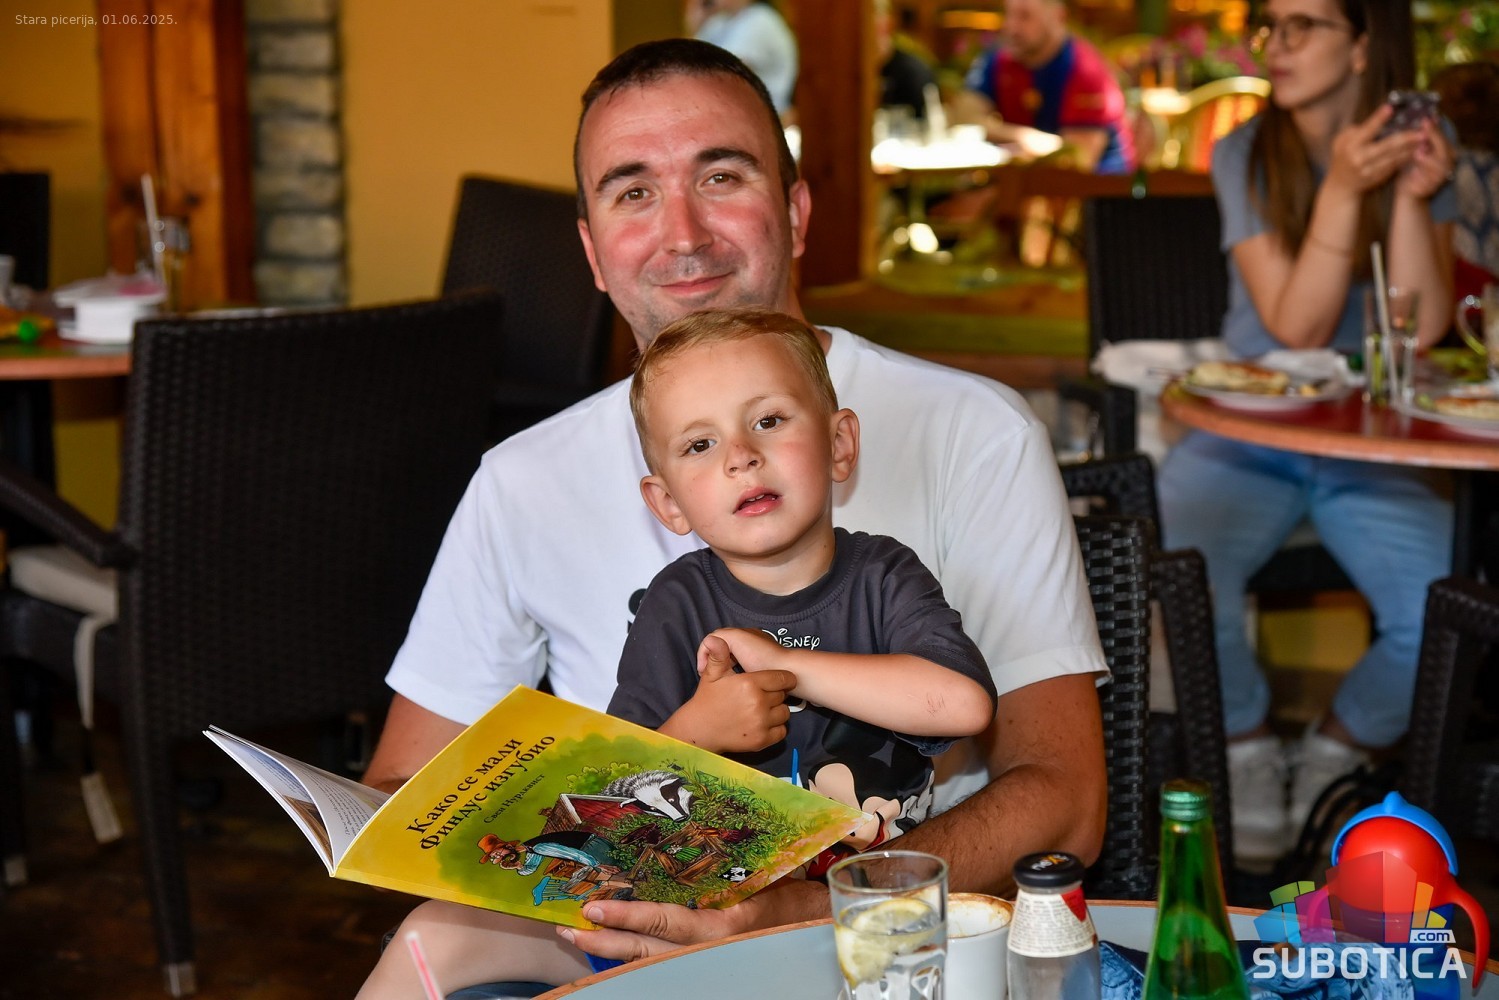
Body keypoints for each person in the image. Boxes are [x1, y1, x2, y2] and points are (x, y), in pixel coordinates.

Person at [362, 36, 1106, 982]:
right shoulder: (523, 479)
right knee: (426, 944)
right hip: (617, 939)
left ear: (794, 213)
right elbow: (402, 787)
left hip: (897, 946)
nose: (681, 234)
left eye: (720, 176)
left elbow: (1067, 800)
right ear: (591, 251)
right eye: (633, 191)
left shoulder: (973, 432)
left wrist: (805, 912)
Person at [356, 309, 999, 997]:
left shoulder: (885, 576)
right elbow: (617, 789)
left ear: (840, 444)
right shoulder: (676, 603)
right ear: (667, 503)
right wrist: (699, 728)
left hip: (858, 928)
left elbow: (961, 705)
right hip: (684, 924)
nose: (740, 456)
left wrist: (785, 665)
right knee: (432, 932)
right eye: (699, 444)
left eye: (769, 420)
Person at [1157, 0, 1457, 863]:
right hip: (1249, 428)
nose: (1275, 47)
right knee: (1176, 563)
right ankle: (1246, 743)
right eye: (1271, 26)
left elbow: (1423, 327)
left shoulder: (1418, 143)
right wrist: (1342, 192)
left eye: (1303, 26)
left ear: (1362, 45)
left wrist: (1409, 200)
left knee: (1440, 605)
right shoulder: (1244, 152)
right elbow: (1295, 325)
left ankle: (1336, 748)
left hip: (1371, 438)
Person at [953, 0, 1135, 172]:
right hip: (1027, 179)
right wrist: (1025, 138)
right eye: (1009, 15)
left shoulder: (1085, 70)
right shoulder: (1000, 60)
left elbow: (1075, 161)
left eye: (1025, 16)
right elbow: (962, 121)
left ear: (1058, 17)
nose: (1011, 27)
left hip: (1099, 186)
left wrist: (1001, 136)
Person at [685, 0, 798, 119]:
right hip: (736, 111)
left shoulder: (759, 20)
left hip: (763, 116)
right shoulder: (720, 21)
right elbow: (690, 62)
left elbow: (727, 75)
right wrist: (697, 24)